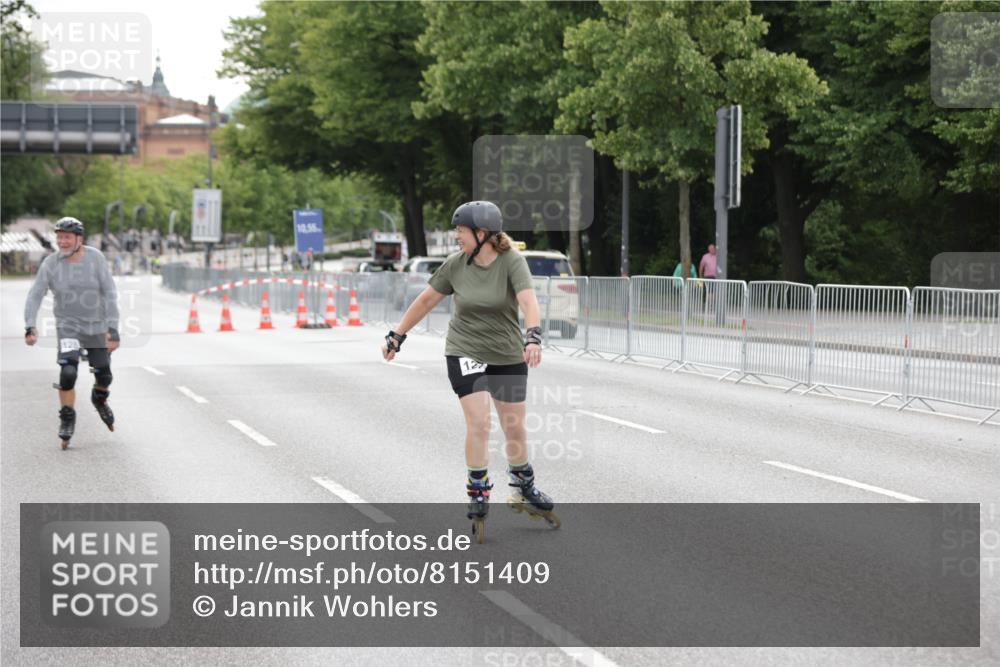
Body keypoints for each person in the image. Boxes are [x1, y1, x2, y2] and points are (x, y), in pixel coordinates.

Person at [381, 201, 558, 540]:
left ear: (482, 234)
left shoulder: (511, 261)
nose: (456, 238)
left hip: (506, 353)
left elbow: (528, 301)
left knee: (514, 427)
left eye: (460, 232)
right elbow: (426, 301)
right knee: (479, 421)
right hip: (464, 350)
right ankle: (478, 491)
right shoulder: (455, 265)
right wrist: (397, 335)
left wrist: (533, 336)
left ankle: (524, 486)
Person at [24, 217, 120, 449]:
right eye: (59, 237)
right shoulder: (51, 263)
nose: (62, 241)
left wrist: (113, 329)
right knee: (68, 372)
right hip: (68, 327)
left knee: (104, 374)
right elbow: (35, 294)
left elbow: (109, 293)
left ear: (80, 239)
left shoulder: (95, 258)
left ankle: (99, 398)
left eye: (67, 237)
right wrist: (30, 325)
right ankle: (67, 419)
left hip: (96, 326)